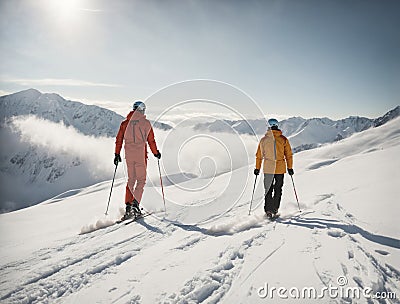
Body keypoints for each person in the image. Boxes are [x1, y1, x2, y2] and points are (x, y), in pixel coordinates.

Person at [114, 101, 161, 220]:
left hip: (128, 156)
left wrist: (116, 154)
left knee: (131, 180)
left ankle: (128, 207)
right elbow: (151, 141)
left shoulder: (124, 123)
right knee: (141, 180)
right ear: (142, 110)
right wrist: (156, 153)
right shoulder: (145, 123)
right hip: (140, 156)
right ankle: (136, 204)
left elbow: (119, 139)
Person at [254, 118, 293, 219]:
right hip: (280, 169)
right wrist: (290, 167)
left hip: (268, 169)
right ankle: (275, 209)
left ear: (269, 127)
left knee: (268, 190)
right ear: (277, 126)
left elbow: (259, 155)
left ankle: (268, 210)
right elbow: (289, 155)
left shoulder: (264, 140)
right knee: (278, 189)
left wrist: (257, 168)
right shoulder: (283, 139)